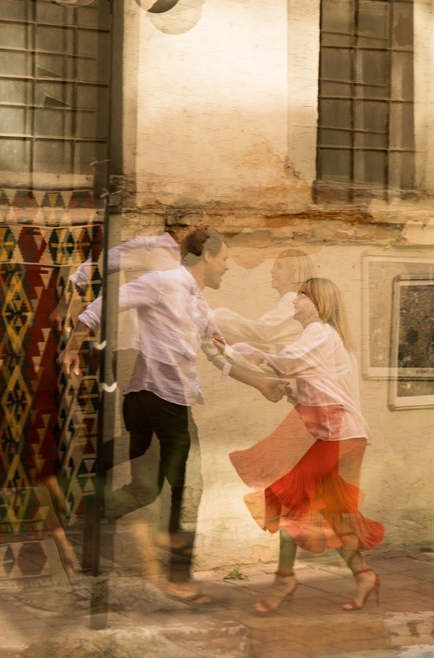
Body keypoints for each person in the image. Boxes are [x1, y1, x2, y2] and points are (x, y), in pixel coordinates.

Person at [64, 228, 288, 601]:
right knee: (190, 490)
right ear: (206, 257)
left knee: (145, 488)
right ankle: (178, 578)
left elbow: (218, 352)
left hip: (156, 401)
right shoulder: (165, 282)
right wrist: (74, 343)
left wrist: (261, 384)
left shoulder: (198, 303)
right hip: (159, 399)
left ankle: (83, 524)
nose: (228, 267)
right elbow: (106, 302)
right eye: (225, 259)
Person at [218, 277, 384, 613]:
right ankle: (364, 575)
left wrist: (231, 349)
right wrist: (282, 385)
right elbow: (308, 383)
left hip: (339, 436)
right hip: (341, 435)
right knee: (334, 513)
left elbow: (285, 363)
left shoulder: (319, 333)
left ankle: (284, 578)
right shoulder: (321, 337)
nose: (295, 300)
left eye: (303, 295)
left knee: (285, 498)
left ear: (319, 302)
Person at [212, 249, 315, 351]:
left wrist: (212, 316)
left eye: (279, 266)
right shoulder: (298, 301)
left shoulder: (294, 301)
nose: (271, 270)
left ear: (294, 273)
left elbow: (263, 331)